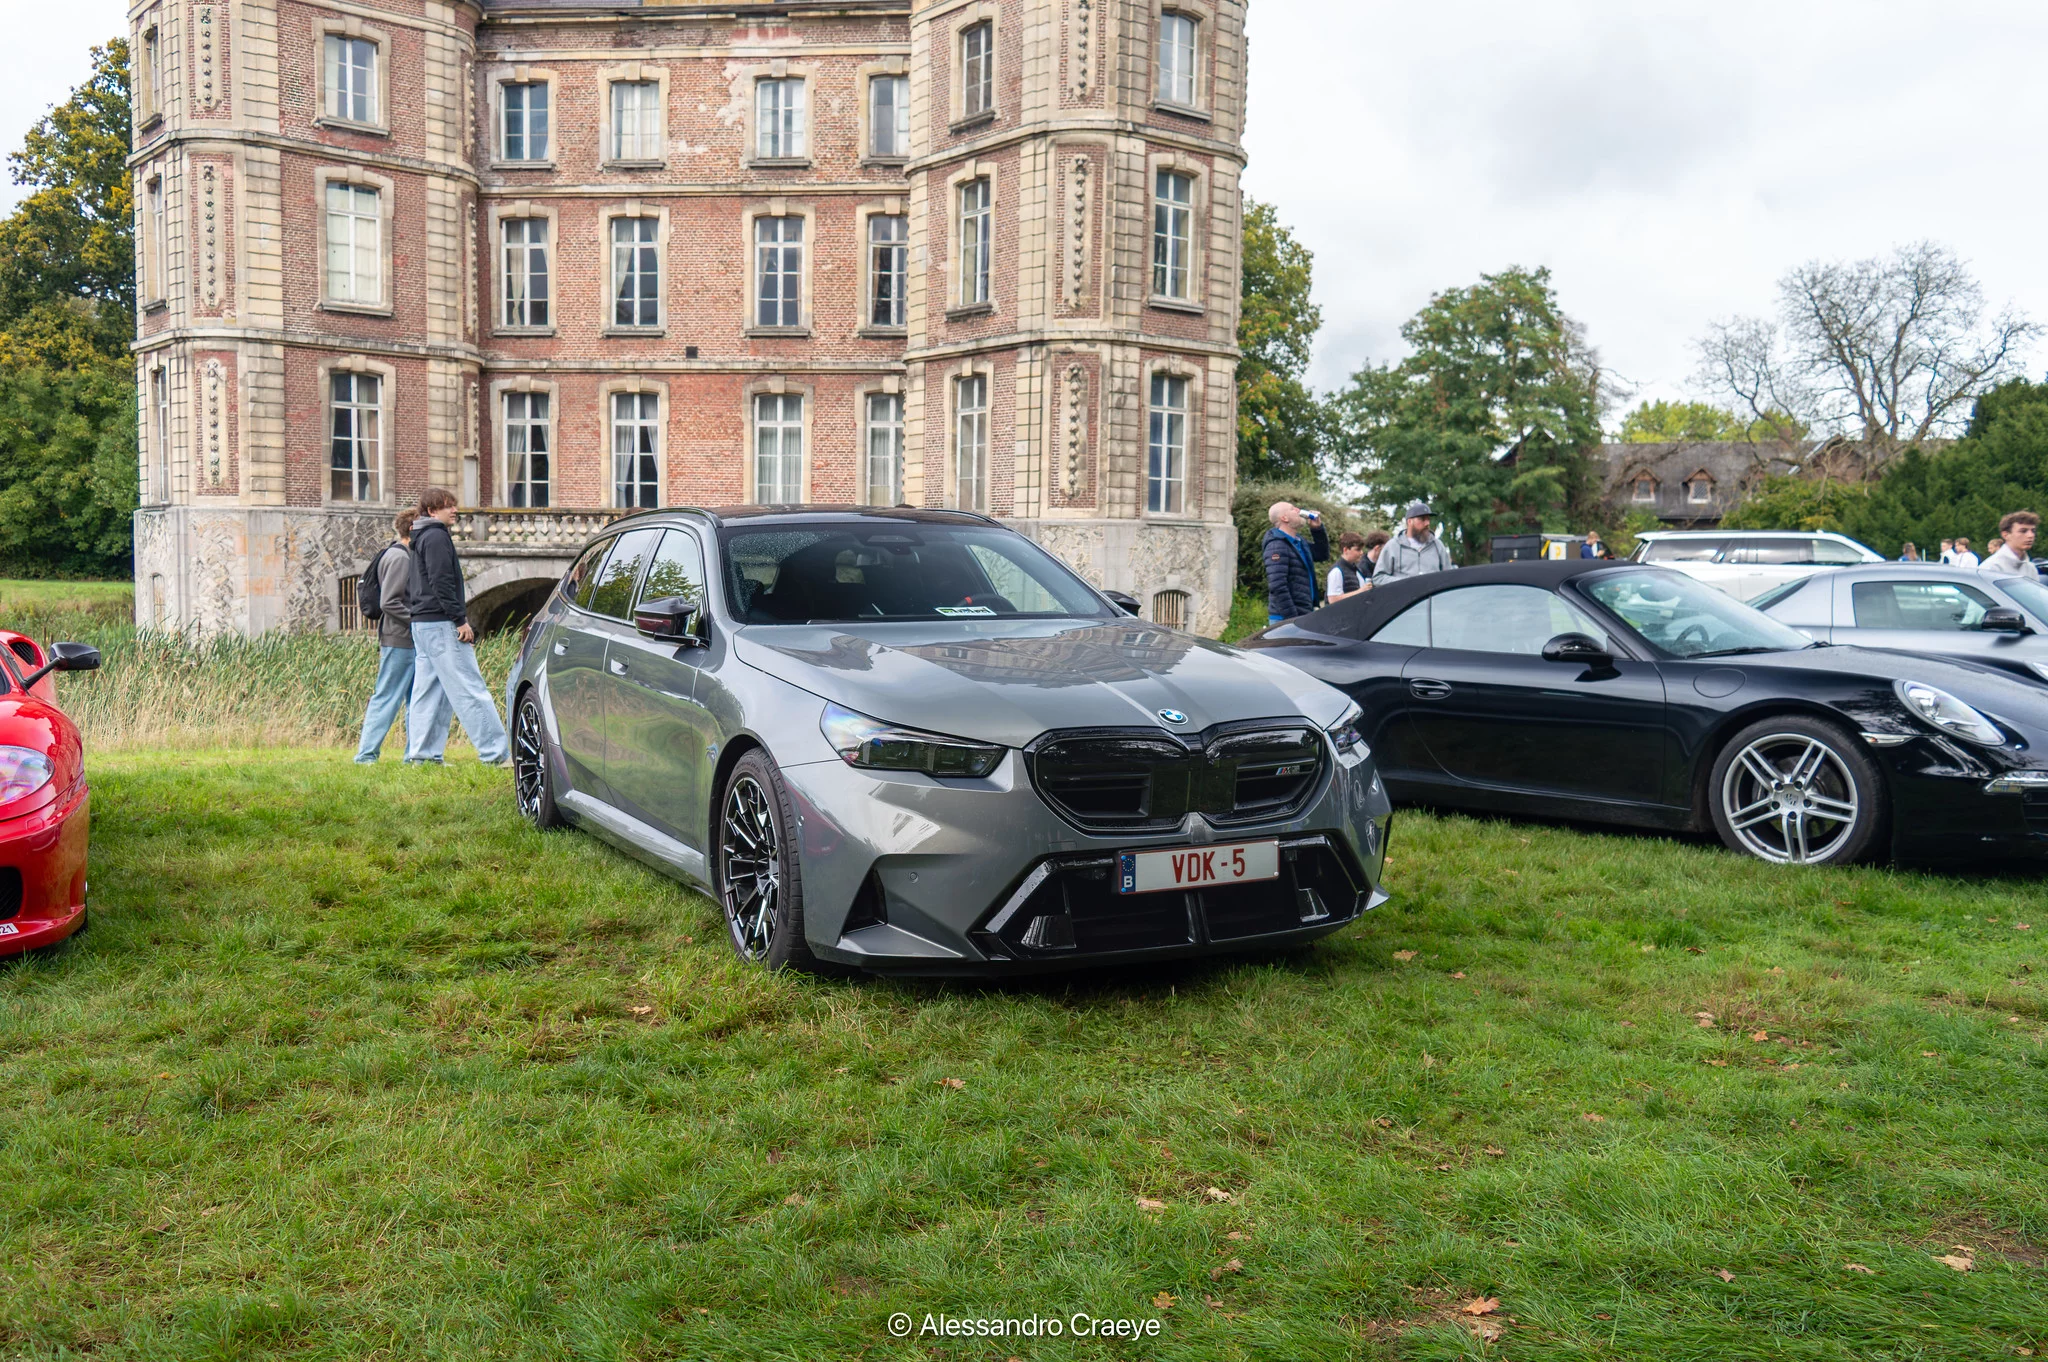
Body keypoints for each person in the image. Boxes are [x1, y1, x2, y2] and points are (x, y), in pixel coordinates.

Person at [404, 486, 510, 766]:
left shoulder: (419, 536)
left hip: (422, 624)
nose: (455, 510)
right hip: (440, 624)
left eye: (454, 505)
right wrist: (460, 619)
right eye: (447, 506)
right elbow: (442, 582)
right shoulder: (437, 536)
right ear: (431, 510)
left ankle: (423, 757)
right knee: (469, 686)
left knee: (428, 692)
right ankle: (496, 754)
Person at [354, 507, 418, 763]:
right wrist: (419, 623)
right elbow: (389, 602)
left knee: (416, 699)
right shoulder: (400, 558)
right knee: (387, 697)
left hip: (404, 638)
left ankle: (414, 755)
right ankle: (366, 756)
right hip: (400, 639)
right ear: (412, 530)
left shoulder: (399, 554)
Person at [1262, 501, 1330, 623]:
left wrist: (1317, 529)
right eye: (1293, 509)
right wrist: (1292, 620)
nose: (1299, 510)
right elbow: (1277, 586)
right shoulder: (1276, 545)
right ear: (1284, 518)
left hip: (1303, 614)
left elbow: (1322, 554)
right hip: (1286, 619)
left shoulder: (1299, 542)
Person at [1373, 500, 1455, 582]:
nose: (1427, 523)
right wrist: (1405, 583)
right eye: (1422, 519)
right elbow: (1378, 578)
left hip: (1433, 594)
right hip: (1404, 594)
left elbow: (1449, 577)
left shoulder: (1437, 546)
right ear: (1409, 521)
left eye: (1428, 519)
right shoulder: (1393, 546)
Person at [1325, 532, 1373, 603]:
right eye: (1358, 549)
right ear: (1346, 550)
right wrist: (1360, 591)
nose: (1362, 552)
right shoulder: (1336, 571)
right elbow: (1333, 600)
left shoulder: (1356, 569)